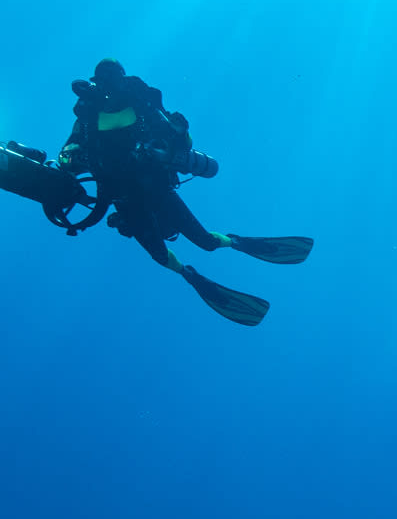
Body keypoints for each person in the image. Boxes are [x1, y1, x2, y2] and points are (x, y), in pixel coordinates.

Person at [59, 59, 312, 325]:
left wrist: (181, 131)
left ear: (121, 80)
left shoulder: (143, 107)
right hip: (123, 197)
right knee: (159, 255)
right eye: (104, 81)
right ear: (97, 83)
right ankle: (188, 274)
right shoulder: (87, 119)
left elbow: (177, 139)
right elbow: (68, 155)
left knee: (205, 242)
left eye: (113, 79)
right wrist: (68, 161)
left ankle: (236, 241)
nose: (109, 88)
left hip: (153, 186)